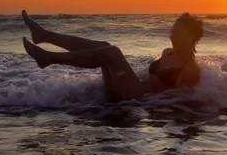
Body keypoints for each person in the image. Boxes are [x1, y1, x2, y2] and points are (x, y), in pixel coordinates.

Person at [21, 10, 203, 102]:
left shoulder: (189, 68)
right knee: (105, 47)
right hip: (127, 92)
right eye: (173, 31)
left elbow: (180, 98)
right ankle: (45, 36)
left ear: (191, 38)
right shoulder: (167, 53)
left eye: (177, 33)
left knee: (113, 52)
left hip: (136, 99)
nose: (172, 36)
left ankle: (49, 58)